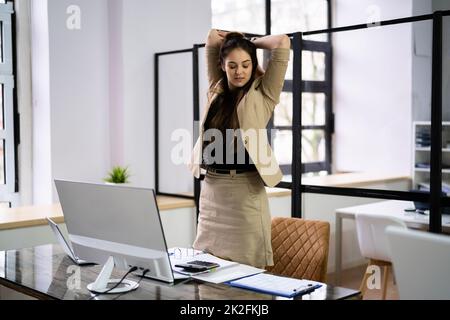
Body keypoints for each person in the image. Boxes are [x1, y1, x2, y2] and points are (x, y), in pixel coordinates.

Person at [188, 29, 290, 268]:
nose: (239, 71)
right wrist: (233, 39)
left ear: (253, 64)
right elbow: (212, 37)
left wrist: (249, 43)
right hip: (212, 191)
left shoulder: (265, 92)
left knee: (247, 271)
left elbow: (282, 42)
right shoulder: (216, 87)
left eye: (246, 64)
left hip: (246, 193)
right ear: (222, 65)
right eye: (232, 65)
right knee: (207, 270)